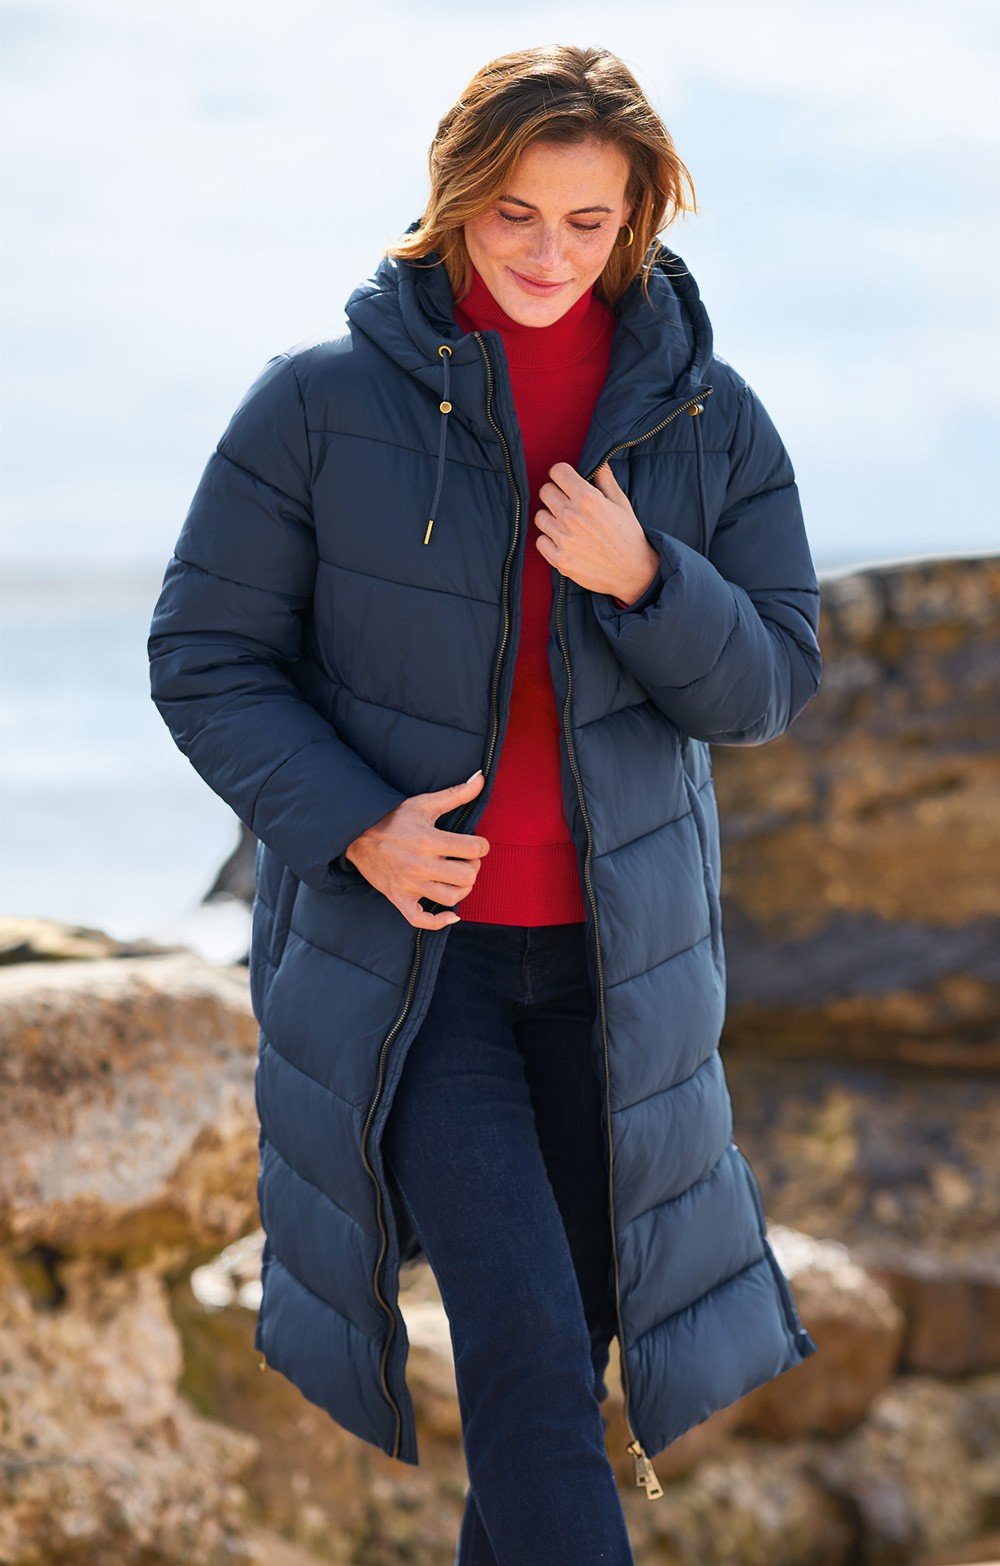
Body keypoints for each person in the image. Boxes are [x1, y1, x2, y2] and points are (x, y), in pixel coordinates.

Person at [148, 42, 822, 1566]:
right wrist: (358, 824)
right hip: (415, 969)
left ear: (638, 218)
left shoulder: (710, 422)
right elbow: (204, 656)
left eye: (588, 220)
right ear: (455, 197)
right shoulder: (317, 406)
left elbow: (772, 684)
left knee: (552, 1376)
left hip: (617, 980)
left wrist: (647, 578)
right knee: (522, 1353)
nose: (548, 252)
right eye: (516, 211)